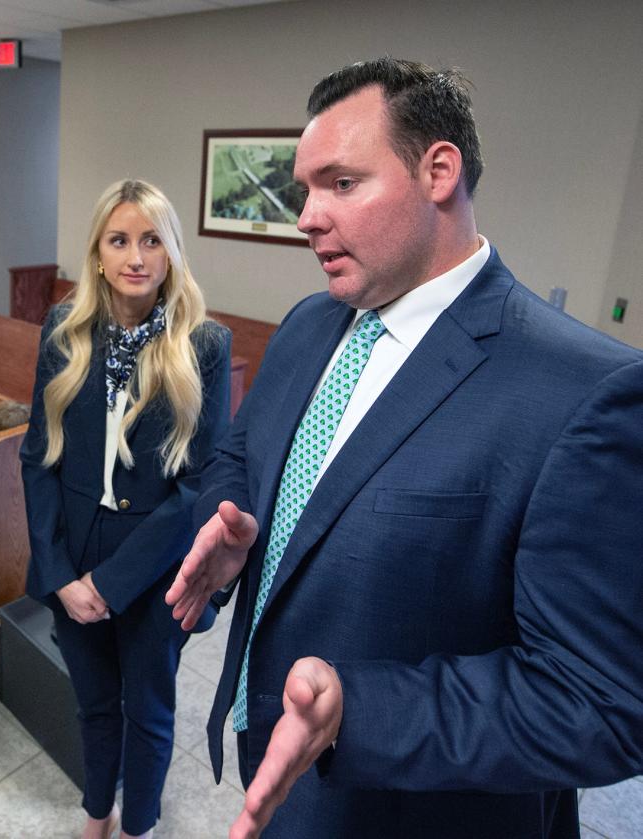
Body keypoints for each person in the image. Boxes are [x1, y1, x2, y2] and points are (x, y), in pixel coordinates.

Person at [166, 57, 643, 838]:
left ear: (439, 171)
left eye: (341, 184)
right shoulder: (307, 325)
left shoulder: (586, 393)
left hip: (409, 810)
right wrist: (230, 528)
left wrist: (359, 714)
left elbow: (598, 701)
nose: (307, 216)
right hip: (275, 768)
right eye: (304, 190)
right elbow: (241, 456)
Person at [22, 178, 233, 839]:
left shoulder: (205, 345)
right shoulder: (64, 329)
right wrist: (61, 574)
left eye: (151, 240)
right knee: (93, 706)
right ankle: (97, 813)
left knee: (147, 709)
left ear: (171, 252)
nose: (135, 256)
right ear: (98, 253)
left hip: (155, 570)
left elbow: (198, 486)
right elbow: (37, 457)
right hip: (73, 562)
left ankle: (139, 824)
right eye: (119, 240)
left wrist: (112, 585)